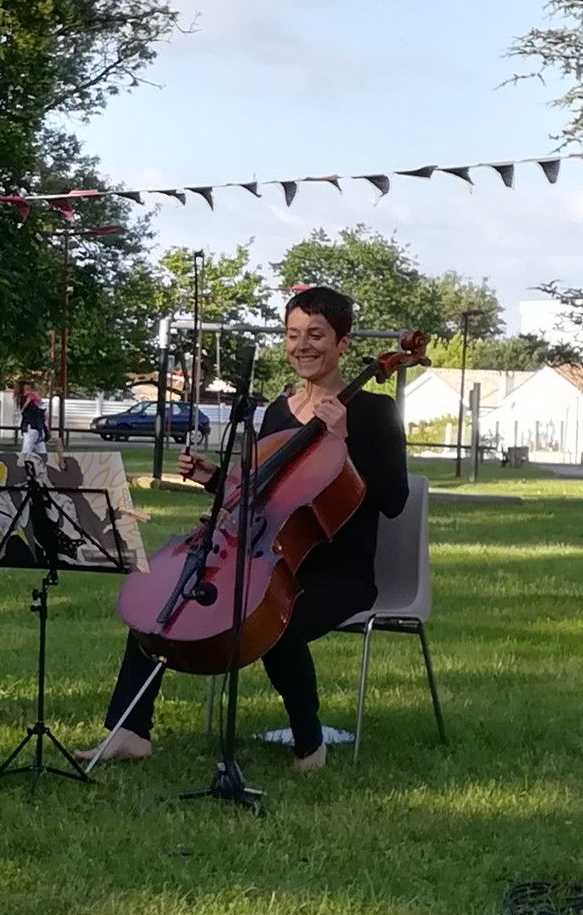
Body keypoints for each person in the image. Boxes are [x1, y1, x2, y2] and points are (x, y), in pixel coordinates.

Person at [79, 286, 409, 772]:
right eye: (293, 335)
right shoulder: (278, 412)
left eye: (316, 335)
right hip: (263, 554)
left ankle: (310, 744)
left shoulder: (375, 412)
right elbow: (260, 500)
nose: (303, 346)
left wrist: (344, 440)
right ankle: (130, 731)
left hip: (337, 573)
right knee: (165, 597)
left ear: (342, 342)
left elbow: (393, 500)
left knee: (279, 618)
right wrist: (214, 478)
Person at [18, 379, 50, 458]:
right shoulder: (25, 399)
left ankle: (40, 466)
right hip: (31, 427)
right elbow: (28, 412)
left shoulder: (33, 399)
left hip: (36, 428)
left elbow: (43, 415)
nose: (28, 391)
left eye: (29, 389)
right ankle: (24, 465)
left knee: (41, 451)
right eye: (26, 389)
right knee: (27, 450)